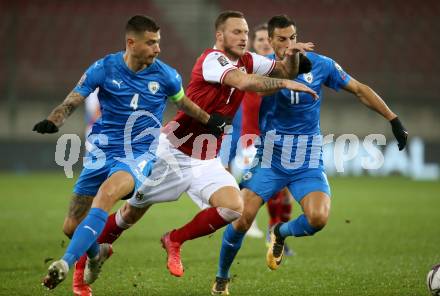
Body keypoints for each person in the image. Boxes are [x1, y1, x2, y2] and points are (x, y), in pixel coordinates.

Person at [85, 10, 317, 286]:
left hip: (206, 157)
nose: (243, 37)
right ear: (220, 35)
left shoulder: (248, 60)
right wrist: (285, 82)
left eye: (245, 32)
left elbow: (282, 70)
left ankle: (174, 240)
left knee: (234, 207)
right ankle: (92, 253)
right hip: (172, 151)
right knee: (131, 212)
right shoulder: (212, 60)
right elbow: (245, 82)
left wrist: (289, 54)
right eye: (236, 32)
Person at [211, 15, 408, 295]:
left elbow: (359, 89)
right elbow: (239, 80)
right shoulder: (263, 68)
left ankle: (279, 232)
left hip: (307, 159)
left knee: (318, 219)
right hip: (271, 157)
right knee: (241, 219)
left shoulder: (321, 65)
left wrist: (393, 119)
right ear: (269, 41)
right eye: (281, 39)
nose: (289, 43)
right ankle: (222, 278)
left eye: (292, 37)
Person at [36, 15, 227, 291]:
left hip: (138, 154)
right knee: (71, 226)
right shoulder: (104, 67)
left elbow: (183, 103)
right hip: (101, 153)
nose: (157, 48)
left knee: (107, 194)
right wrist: (54, 121)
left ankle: (64, 263)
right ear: (131, 43)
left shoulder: (167, 75)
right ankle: (96, 254)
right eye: (151, 43)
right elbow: (74, 98)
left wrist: (210, 121)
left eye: (158, 42)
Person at [224, 24, 296, 255]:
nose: (264, 43)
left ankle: (273, 234)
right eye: (260, 39)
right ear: (254, 43)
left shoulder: (281, 68)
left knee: (281, 193)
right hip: (250, 140)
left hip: (274, 139)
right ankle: (246, 234)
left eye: (268, 39)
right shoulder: (247, 67)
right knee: (257, 193)